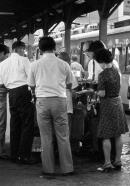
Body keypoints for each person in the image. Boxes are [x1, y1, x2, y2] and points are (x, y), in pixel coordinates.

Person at [28, 37, 74, 176]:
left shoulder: (35, 65)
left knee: (46, 137)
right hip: (60, 101)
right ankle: (67, 168)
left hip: (42, 101)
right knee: (63, 136)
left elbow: (31, 85)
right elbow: (70, 84)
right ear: (55, 48)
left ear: (40, 50)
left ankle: (48, 169)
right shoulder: (63, 64)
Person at [0, 41, 35, 164]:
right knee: (27, 124)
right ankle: (24, 156)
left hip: (11, 94)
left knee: (15, 124)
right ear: (20, 49)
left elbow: (1, 82)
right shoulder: (24, 60)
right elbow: (31, 78)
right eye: (23, 50)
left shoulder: (3, 63)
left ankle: (14, 154)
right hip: (23, 92)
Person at [94, 48, 128, 172]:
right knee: (117, 134)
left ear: (102, 61)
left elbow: (102, 93)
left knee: (106, 135)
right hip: (117, 102)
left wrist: (95, 91)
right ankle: (118, 161)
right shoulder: (116, 71)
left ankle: (107, 163)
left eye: (99, 62)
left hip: (107, 104)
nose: (99, 65)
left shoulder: (103, 74)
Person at [58, 52, 79, 133]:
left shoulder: (49, 70)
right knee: (65, 133)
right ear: (67, 61)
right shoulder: (67, 70)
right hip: (65, 106)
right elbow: (74, 88)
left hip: (52, 105)